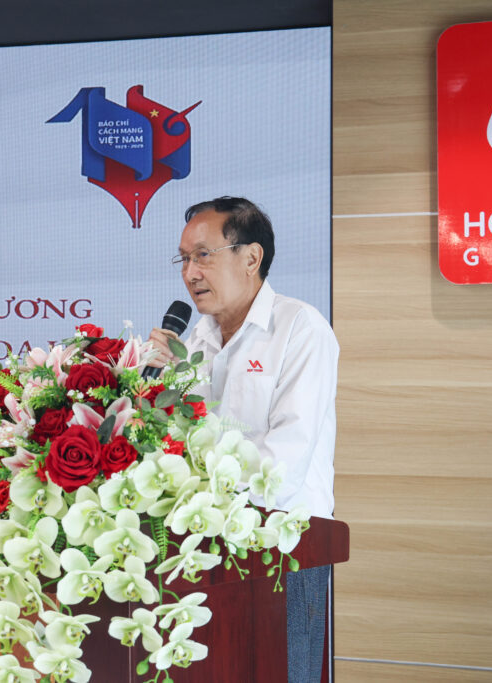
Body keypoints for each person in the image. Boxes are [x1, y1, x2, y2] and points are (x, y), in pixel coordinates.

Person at [149, 196, 338, 683]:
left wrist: (208, 503)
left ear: (251, 257)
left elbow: (287, 456)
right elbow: (183, 445)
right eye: (183, 259)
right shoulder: (194, 342)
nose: (190, 273)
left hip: (286, 548)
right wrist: (159, 392)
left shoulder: (299, 328)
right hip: (204, 547)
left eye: (203, 255)